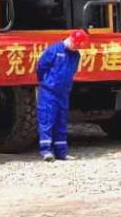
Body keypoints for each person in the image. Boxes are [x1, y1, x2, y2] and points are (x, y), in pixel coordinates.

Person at [37, 29, 87, 161]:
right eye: (75, 44)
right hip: (49, 92)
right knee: (47, 119)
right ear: (70, 39)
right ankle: (46, 151)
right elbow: (41, 67)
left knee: (61, 121)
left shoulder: (75, 55)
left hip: (63, 92)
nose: (75, 47)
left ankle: (61, 152)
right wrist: (47, 82)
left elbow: (72, 71)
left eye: (78, 46)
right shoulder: (54, 50)